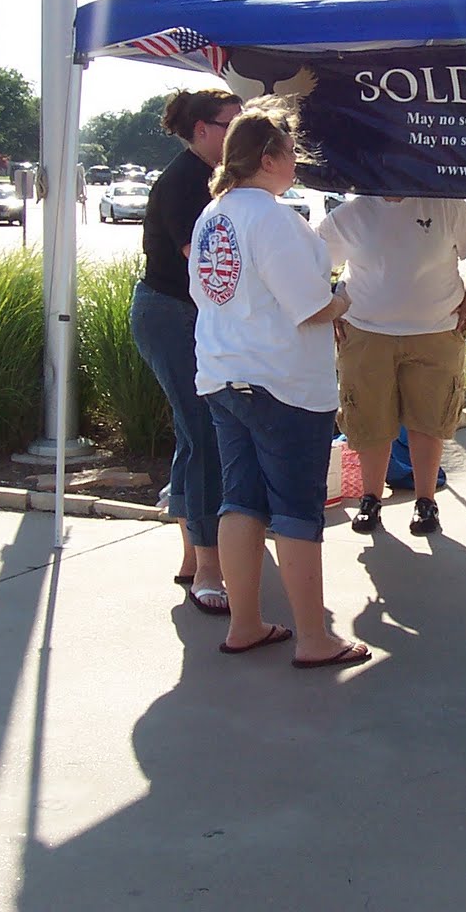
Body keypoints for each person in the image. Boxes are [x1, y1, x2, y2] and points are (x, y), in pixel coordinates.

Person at [190, 98, 369, 668]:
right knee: (296, 508)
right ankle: (313, 637)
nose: (297, 161)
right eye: (291, 151)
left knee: (240, 500)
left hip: (223, 373)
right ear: (268, 158)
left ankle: (245, 623)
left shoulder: (213, 214)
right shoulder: (273, 218)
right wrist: (342, 299)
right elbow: (310, 306)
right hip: (281, 383)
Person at [317, 195, 466, 536]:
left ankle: (426, 502)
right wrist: (330, 303)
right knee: (369, 419)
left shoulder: (444, 204)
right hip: (366, 330)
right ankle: (371, 499)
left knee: (428, 420)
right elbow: (312, 260)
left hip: (437, 330)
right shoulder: (351, 213)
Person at [130, 88, 239, 614]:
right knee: (204, 435)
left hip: (187, 313)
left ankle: (193, 557)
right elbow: (205, 263)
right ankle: (210, 568)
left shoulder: (215, 180)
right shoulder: (183, 184)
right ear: (201, 130)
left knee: (194, 433)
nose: (239, 132)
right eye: (231, 124)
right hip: (171, 314)